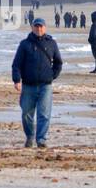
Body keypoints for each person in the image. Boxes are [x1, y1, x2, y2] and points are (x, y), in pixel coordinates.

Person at [12, 18, 62, 148]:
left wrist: (52, 76)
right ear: (32, 27)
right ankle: (29, 136)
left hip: (46, 86)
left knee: (44, 114)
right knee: (26, 114)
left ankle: (41, 139)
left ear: (45, 28)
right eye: (36, 26)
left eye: (41, 27)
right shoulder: (24, 44)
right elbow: (16, 64)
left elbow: (58, 62)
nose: (39, 29)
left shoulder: (51, 43)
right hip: (28, 86)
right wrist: (17, 80)